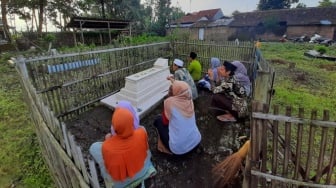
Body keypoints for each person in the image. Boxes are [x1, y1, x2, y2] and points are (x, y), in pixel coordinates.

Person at [89, 108, 156, 188]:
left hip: (120, 183)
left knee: (94, 147)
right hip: (143, 170)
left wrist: (109, 140)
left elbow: (108, 166)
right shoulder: (142, 131)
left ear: (114, 126)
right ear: (132, 122)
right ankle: (143, 180)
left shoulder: (106, 146)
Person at [153, 80, 201, 155]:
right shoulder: (189, 100)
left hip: (179, 150)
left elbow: (165, 122)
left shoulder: (170, 102)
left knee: (158, 120)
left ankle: (162, 147)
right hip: (196, 142)